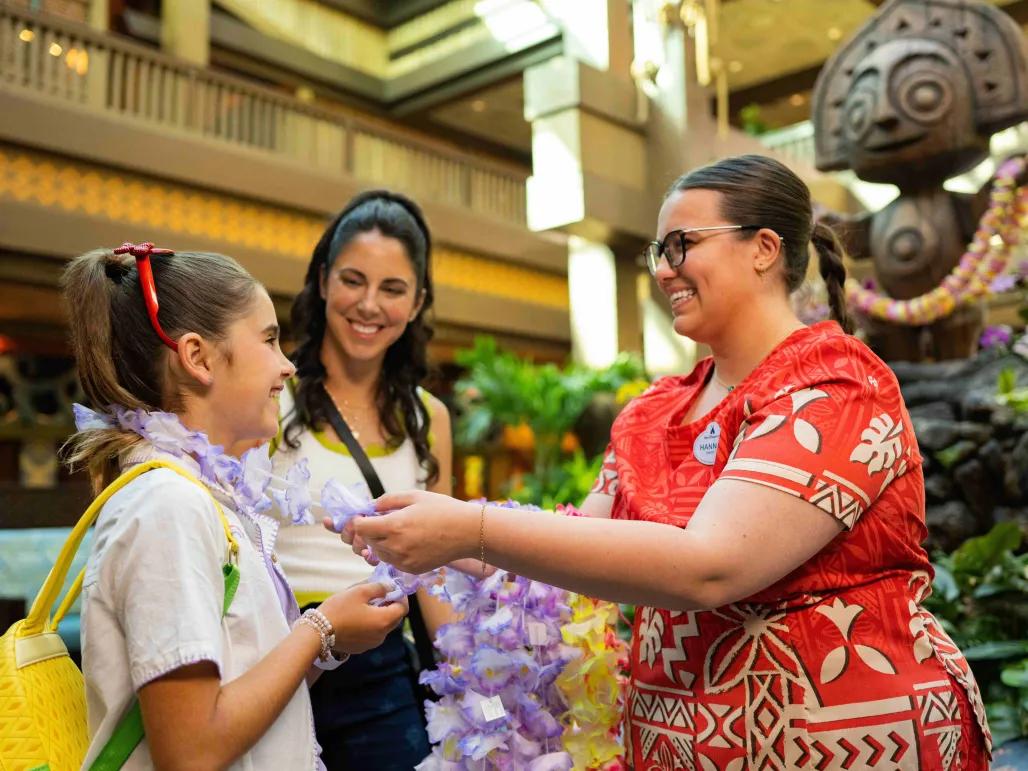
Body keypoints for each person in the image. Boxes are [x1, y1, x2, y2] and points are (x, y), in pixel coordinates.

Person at [344, 155, 991, 769]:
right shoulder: (653, 411)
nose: (663, 270)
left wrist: (472, 527)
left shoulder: (835, 384)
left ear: (764, 248)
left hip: (854, 741)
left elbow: (711, 565)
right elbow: (575, 551)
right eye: (659, 251)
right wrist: (425, 533)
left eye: (682, 245)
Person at [63, 242, 406, 769]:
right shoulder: (166, 505)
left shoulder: (200, 498)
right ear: (198, 358)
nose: (287, 366)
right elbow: (191, 750)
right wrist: (319, 628)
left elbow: (244, 688)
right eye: (269, 339)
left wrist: (329, 641)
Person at [271, 190, 454, 769]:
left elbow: (435, 566)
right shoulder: (269, 396)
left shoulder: (428, 418)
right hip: (277, 654)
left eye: (392, 289)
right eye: (353, 280)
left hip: (381, 673)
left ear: (417, 302)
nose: (369, 305)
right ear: (324, 280)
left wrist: (466, 673)